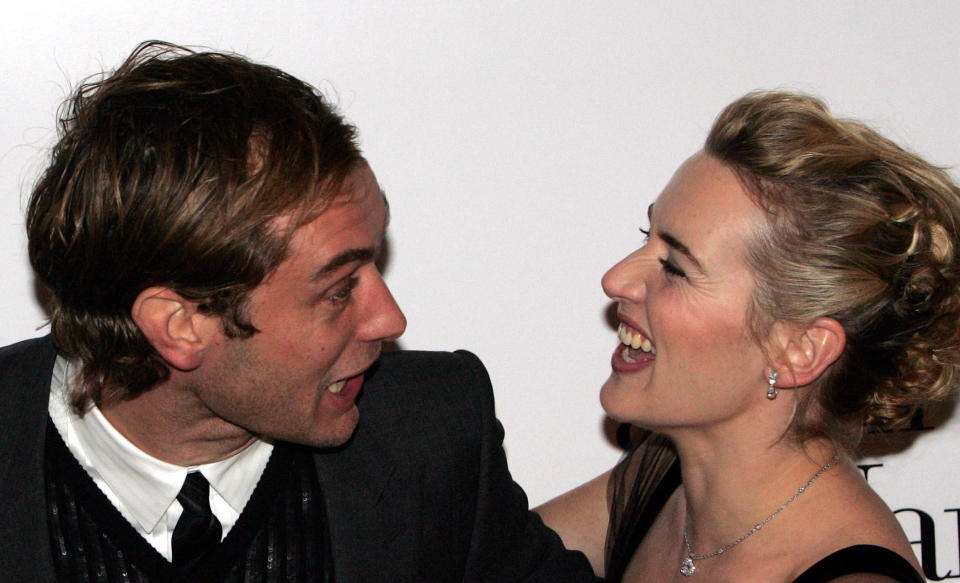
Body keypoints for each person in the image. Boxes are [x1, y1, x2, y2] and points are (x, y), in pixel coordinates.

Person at [0, 41, 597, 582]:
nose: (390, 320)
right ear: (180, 325)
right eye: (339, 289)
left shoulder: (432, 435)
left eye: (376, 263)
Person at [536, 90, 960, 582]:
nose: (615, 279)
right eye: (644, 235)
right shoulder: (658, 481)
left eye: (674, 268)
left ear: (799, 350)